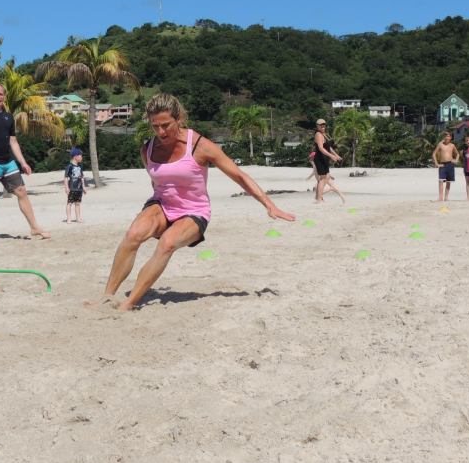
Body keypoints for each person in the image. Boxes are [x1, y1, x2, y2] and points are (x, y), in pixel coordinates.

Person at [94, 93, 295, 312]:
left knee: (167, 244)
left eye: (166, 125)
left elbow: (239, 176)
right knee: (133, 235)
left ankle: (129, 303)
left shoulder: (200, 146)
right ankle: (108, 295)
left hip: (193, 211)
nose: (160, 132)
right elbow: (156, 182)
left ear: (179, 119)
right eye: (155, 126)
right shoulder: (148, 149)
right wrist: (153, 211)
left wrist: (269, 205)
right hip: (161, 204)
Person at [0, 83, 50, 242]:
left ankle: (34, 227)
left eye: (1, 94)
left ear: (4, 96)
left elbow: (13, 142)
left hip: (8, 162)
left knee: (22, 191)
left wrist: (23, 162)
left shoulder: (8, 117)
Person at [313, 119, 344, 203]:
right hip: (320, 158)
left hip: (324, 158)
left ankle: (318, 197)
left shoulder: (324, 134)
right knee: (323, 178)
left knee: (326, 177)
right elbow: (321, 148)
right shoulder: (318, 134)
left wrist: (336, 155)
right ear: (317, 126)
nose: (323, 126)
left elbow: (328, 147)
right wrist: (331, 156)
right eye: (321, 125)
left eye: (324, 125)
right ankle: (319, 199)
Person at [432, 132, 459, 201]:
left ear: (450, 138)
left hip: (450, 164)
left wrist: (456, 160)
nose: (447, 137)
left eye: (448, 136)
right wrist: (436, 163)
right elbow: (434, 154)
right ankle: (440, 197)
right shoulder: (440, 144)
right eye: (446, 136)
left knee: (448, 181)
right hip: (442, 164)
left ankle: (446, 197)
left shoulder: (452, 145)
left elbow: (457, 154)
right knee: (441, 181)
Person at [63, 148, 88, 223]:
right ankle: (69, 218)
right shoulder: (69, 166)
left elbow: (82, 177)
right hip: (72, 188)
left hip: (79, 188)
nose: (81, 157)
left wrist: (83, 187)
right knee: (69, 203)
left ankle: (78, 218)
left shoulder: (80, 167)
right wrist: (66, 187)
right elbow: (66, 177)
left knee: (77, 203)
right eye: (80, 156)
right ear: (75, 156)